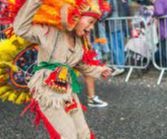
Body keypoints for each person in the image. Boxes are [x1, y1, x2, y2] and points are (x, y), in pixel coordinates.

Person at [13, 0, 111, 138]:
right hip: (47, 93)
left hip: (68, 93)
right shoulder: (49, 32)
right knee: (68, 135)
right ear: (75, 16)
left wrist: (99, 71)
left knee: (84, 134)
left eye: (93, 24)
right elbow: (20, 29)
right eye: (90, 21)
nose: (90, 28)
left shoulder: (79, 41)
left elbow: (80, 65)